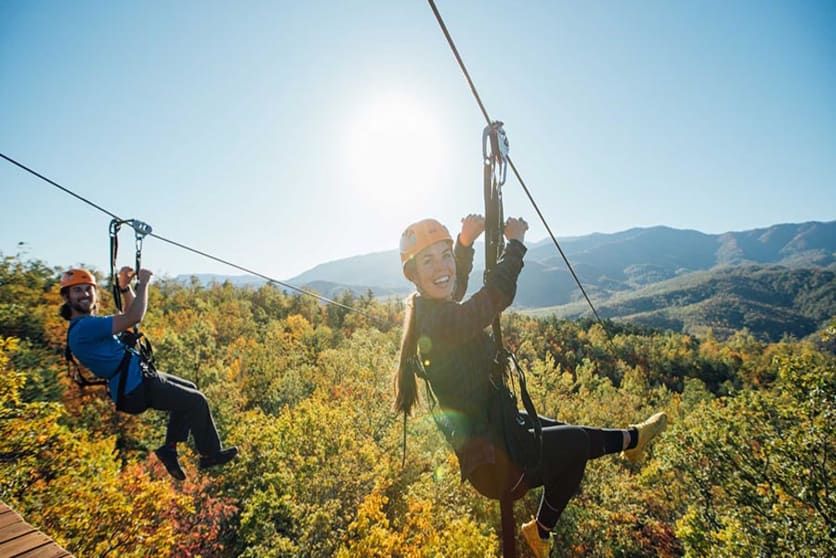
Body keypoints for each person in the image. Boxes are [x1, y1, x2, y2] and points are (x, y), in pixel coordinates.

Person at [394, 216, 667, 557]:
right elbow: (496, 295)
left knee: (573, 439)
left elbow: (453, 286)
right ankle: (631, 441)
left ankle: (542, 529)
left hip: (500, 428)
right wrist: (516, 244)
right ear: (414, 276)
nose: (441, 266)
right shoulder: (441, 324)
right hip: (496, 460)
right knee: (578, 443)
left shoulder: (431, 310)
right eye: (428, 260)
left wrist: (463, 245)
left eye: (444, 255)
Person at [59, 266, 238, 481]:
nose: (85, 294)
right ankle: (210, 455)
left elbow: (128, 317)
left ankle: (169, 448)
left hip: (139, 380)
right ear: (67, 297)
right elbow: (134, 316)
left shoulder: (90, 325)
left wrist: (125, 288)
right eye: (77, 290)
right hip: (135, 388)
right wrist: (143, 283)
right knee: (196, 401)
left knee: (190, 390)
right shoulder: (84, 328)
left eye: (88, 289)